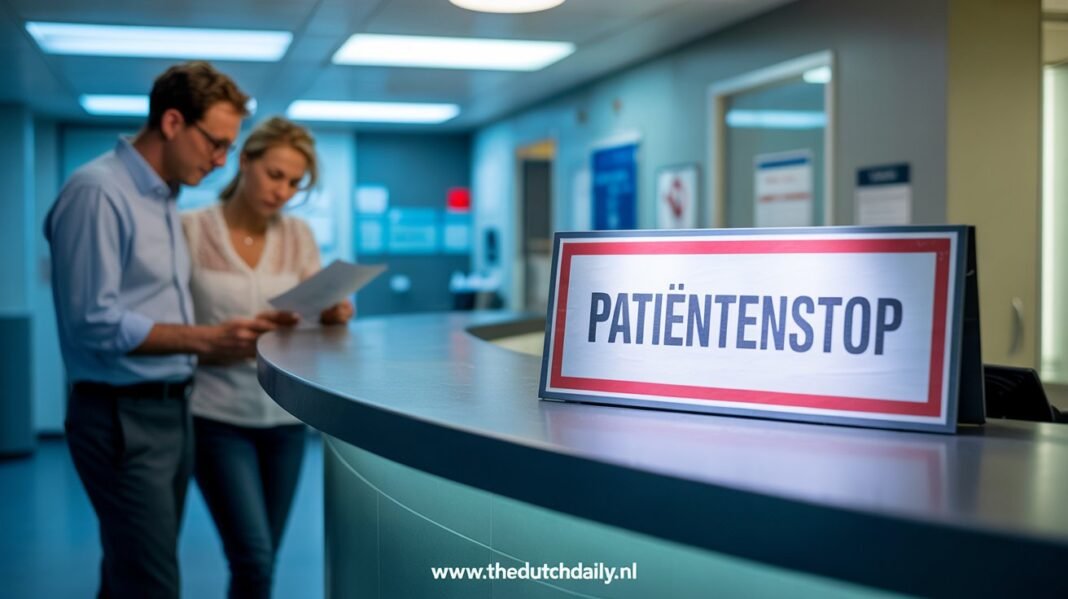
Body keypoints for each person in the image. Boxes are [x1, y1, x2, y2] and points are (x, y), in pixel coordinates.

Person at [45, 62, 286, 598]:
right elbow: (93, 322)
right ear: (173, 122)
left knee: (130, 573)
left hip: (171, 410)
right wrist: (208, 340)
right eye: (216, 143)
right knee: (150, 584)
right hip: (120, 415)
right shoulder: (98, 192)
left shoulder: (163, 199)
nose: (223, 160)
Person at [181, 116, 353, 598]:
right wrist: (216, 337)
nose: (282, 191)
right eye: (274, 174)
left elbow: (316, 319)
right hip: (216, 414)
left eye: (295, 183)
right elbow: (171, 320)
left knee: (262, 562)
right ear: (245, 161)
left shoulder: (298, 235)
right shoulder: (191, 229)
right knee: (252, 557)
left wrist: (334, 314)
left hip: (285, 418)